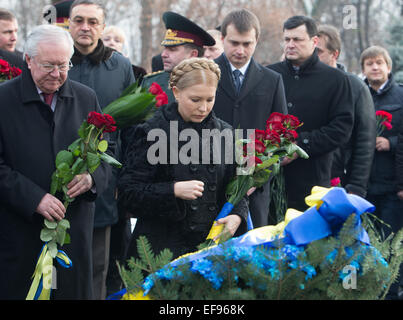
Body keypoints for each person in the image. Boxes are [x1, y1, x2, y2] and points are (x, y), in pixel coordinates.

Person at [0, 24, 111, 300]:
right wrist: (34, 198)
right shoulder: (4, 100)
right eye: (48, 65)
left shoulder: (86, 97)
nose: (57, 74)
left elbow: (108, 154)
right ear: (28, 60)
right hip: (20, 230)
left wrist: (91, 179)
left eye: (63, 65)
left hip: (72, 230)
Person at [118, 57, 249, 261]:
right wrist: (172, 190)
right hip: (160, 250)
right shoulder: (151, 131)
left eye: (210, 99)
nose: (203, 108)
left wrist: (237, 216)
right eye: (195, 100)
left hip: (211, 249)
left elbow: (239, 186)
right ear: (177, 92)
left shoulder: (227, 133)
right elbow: (128, 193)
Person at [67, 0, 135, 300]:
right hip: (57, 177)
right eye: (79, 20)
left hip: (103, 182)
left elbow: (131, 129)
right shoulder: (58, 59)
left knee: (97, 265)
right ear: (69, 24)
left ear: (102, 26)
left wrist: (121, 179)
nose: (85, 27)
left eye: (92, 22)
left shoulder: (119, 66)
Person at [267, 15, 354, 211]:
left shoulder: (336, 80)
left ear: (314, 41)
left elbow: (341, 129)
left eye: (297, 39)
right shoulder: (269, 75)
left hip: (312, 182)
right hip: (269, 179)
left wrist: (301, 145)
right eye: (287, 39)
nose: (290, 44)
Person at [213, 9, 287, 227]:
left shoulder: (272, 81)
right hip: (211, 184)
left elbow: (280, 138)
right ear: (223, 39)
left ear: (257, 41)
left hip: (254, 189)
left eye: (247, 44)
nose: (240, 50)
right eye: (234, 43)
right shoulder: (206, 73)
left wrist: (258, 177)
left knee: (250, 255)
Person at [361, 45, 403, 299]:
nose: (375, 67)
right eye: (369, 64)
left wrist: (391, 142)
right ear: (363, 69)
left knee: (390, 243)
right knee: (366, 243)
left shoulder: (400, 96)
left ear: (388, 67)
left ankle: (390, 292)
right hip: (364, 184)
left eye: (379, 63)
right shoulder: (359, 95)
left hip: (391, 184)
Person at [316, 24, 376, 198]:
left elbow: (365, 140)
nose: (313, 56)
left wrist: (357, 186)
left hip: (341, 181)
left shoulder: (355, 87)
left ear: (334, 54)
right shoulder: (305, 84)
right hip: (308, 180)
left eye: (318, 52)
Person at [141, 11, 215, 105]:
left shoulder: (212, 84)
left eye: (172, 49)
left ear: (193, 54)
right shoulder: (151, 82)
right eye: (165, 49)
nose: (163, 54)